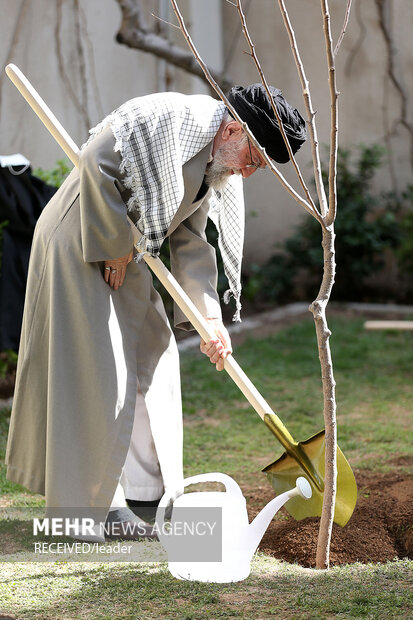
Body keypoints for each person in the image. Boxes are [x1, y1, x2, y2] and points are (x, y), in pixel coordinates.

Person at [5, 84, 306, 541]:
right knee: (102, 374)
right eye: (254, 159)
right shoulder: (166, 118)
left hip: (129, 251)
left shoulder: (214, 165)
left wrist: (208, 318)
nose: (249, 171)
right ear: (232, 129)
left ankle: (147, 494)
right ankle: (97, 509)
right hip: (80, 241)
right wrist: (112, 247)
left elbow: (190, 237)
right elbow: (95, 162)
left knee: (156, 359)